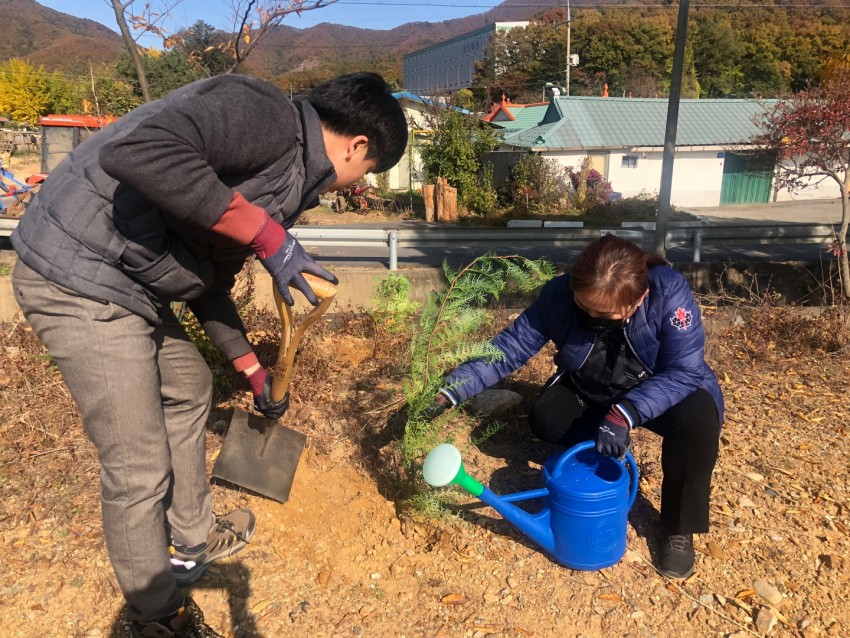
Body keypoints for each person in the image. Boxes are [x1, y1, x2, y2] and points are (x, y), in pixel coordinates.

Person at [11, 72, 407, 636]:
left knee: (191, 385)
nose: (351, 185)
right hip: (76, 274)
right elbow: (140, 151)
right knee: (137, 464)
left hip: (129, 283)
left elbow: (206, 282)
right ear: (357, 145)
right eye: (363, 174)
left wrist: (250, 367)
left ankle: (193, 535)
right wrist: (268, 236)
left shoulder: (288, 182)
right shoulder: (266, 116)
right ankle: (156, 618)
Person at [425, 234, 723, 579]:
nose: (593, 317)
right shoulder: (558, 295)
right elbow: (509, 349)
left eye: (605, 314)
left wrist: (625, 413)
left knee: (698, 422)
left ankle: (677, 526)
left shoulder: (668, 293)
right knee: (548, 417)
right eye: (585, 308)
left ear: (639, 298)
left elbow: (684, 371)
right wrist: (450, 391)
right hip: (592, 385)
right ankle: (602, 463)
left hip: (661, 387)